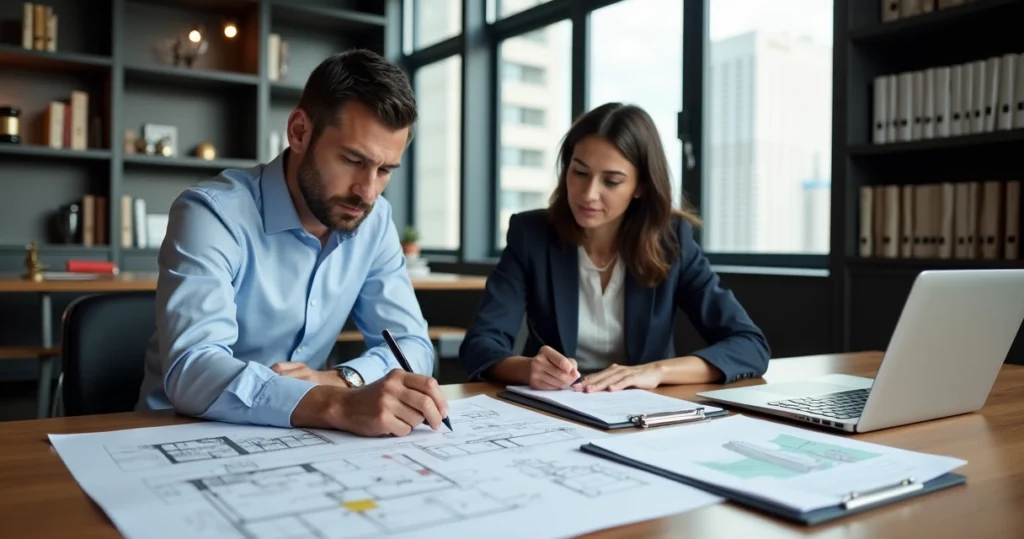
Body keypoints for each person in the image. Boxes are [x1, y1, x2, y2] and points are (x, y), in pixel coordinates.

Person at [135, 49, 449, 437]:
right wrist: (336, 404)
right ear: (299, 131)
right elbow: (194, 370)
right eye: (352, 160)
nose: (367, 192)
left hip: (301, 437)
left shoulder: (375, 220)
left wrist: (342, 381)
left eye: (384, 170)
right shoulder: (211, 214)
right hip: (180, 433)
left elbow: (413, 345)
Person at [458, 102, 770, 392]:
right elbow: (480, 345)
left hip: (643, 413)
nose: (589, 194)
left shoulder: (672, 241)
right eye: (579, 172)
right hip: (556, 408)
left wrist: (656, 371)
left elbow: (749, 345)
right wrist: (527, 369)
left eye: (612, 181)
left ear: (641, 187)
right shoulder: (532, 235)